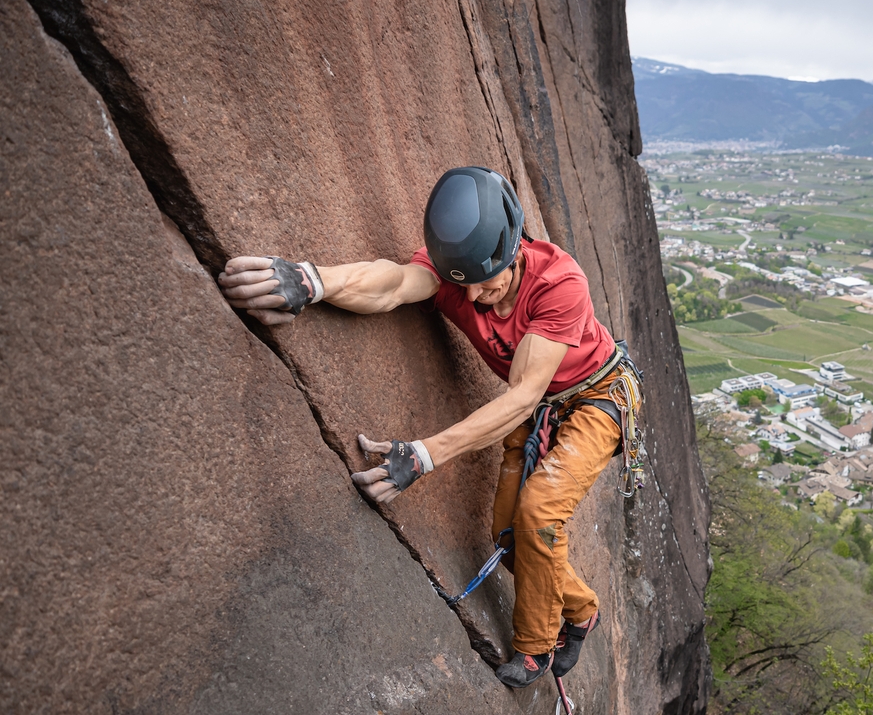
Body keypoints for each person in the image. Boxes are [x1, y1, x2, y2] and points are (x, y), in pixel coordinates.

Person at [217, 166, 642, 688]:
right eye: (468, 287)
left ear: (513, 251)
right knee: (509, 537)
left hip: (597, 397)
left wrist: (426, 454)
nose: (479, 298)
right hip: (543, 401)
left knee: (539, 511)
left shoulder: (559, 284)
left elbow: (523, 395)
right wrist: (315, 280)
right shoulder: (459, 274)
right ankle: (582, 610)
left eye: (491, 283)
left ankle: (535, 649)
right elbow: (392, 283)